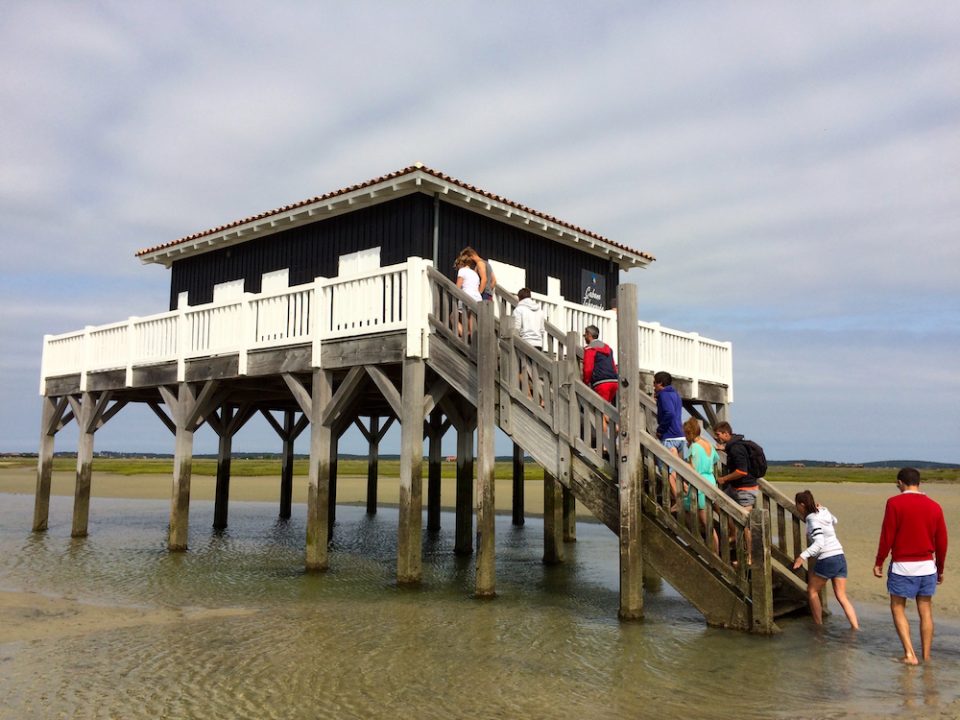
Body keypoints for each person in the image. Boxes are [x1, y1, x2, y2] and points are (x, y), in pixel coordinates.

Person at [873, 467, 948, 665]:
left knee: (897, 608)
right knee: (926, 610)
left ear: (900, 482)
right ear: (919, 482)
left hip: (903, 566)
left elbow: (887, 535)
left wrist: (879, 561)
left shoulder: (894, 503)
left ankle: (909, 654)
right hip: (927, 566)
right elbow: (942, 542)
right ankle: (926, 656)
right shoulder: (935, 506)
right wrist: (940, 569)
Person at [792, 490, 860, 629]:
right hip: (840, 556)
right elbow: (835, 521)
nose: (796, 507)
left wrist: (802, 557)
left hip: (827, 558)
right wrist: (823, 509)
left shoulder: (812, 518)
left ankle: (818, 626)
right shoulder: (823, 511)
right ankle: (855, 627)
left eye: (797, 505)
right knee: (841, 596)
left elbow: (819, 543)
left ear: (802, 504)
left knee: (812, 591)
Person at [682, 417, 719, 553]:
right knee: (684, 506)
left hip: (700, 483)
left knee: (706, 522)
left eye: (686, 434)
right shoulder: (708, 444)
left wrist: (680, 463)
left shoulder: (695, 447)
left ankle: (713, 551)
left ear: (689, 433)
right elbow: (715, 459)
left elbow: (694, 469)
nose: (685, 437)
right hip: (710, 479)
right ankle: (700, 540)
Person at [654, 371, 686, 507]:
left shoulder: (664, 395)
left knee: (666, 471)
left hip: (669, 437)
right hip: (680, 436)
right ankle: (684, 492)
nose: (653, 385)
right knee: (676, 470)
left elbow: (669, 413)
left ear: (660, 383)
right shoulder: (675, 394)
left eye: (655, 382)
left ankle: (679, 502)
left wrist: (660, 430)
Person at [582, 325, 618, 403]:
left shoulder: (590, 349)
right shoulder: (608, 348)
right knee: (608, 408)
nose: (584, 337)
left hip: (601, 383)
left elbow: (588, 368)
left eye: (585, 335)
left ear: (589, 335)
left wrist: (585, 382)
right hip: (614, 381)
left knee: (602, 410)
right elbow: (614, 366)